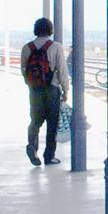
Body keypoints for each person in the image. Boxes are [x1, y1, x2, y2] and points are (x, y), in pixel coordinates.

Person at [20, 17, 68, 166]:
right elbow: (62, 71)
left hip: (35, 90)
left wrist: (31, 84)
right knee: (52, 124)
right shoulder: (56, 47)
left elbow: (23, 69)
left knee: (35, 120)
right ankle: (49, 156)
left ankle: (32, 147)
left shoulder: (27, 48)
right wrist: (66, 90)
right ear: (50, 30)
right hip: (52, 90)